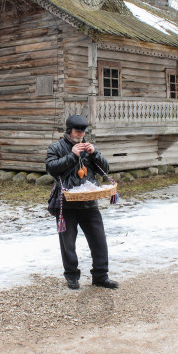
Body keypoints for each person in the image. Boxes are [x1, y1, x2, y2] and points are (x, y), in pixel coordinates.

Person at [45, 114, 118, 290]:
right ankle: (72, 276)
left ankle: (101, 276)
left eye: (83, 131)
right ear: (69, 130)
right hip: (66, 203)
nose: (81, 134)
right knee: (68, 243)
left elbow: (105, 169)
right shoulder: (55, 147)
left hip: (89, 201)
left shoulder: (89, 147)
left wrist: (95, 154)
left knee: (99, 240)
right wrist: (72, 155)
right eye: (78, 131)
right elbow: (51, 169)